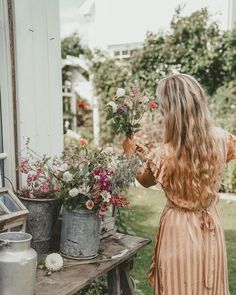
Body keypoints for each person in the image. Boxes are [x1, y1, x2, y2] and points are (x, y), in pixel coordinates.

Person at [123, 73, 236, 295]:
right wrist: (150, 157)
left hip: (179, 232)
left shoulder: (164, 154)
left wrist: (129, 154)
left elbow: (145, 181)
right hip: (212, 228)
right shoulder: (223, 139)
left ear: (170, 111)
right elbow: (194, 162)